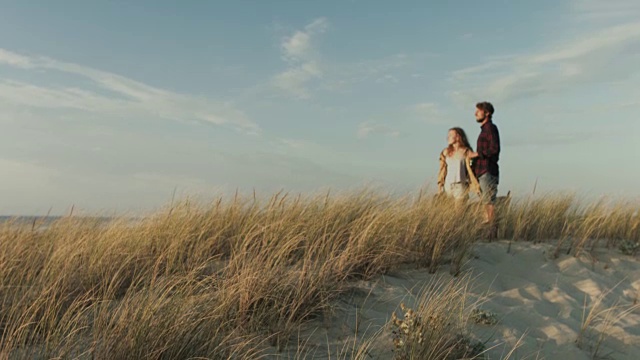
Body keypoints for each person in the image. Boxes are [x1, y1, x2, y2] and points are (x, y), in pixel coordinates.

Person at [468, 101, 501, 224]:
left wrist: (476, 154)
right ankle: (489, 231)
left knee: (489, 202)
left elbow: (494, 149)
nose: (475, 113)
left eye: (478, 110)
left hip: (488, 170)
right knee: (486, 202)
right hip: (482, 171)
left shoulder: (490, 128)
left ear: (487, 113)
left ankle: (492, 231)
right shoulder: (484, 130)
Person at [437, 127, 480, 202]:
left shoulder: (466, 151)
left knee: (459, 211)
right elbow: (442, 169)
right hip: (448, 185)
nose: (448, 137)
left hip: (460, 184)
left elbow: (474, 161)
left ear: (458, 137)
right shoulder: (445, 152)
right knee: (448, 212)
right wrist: (440, 184)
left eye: (450, 135)